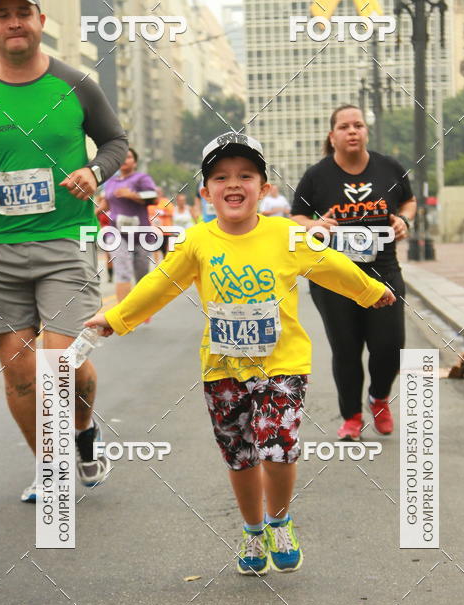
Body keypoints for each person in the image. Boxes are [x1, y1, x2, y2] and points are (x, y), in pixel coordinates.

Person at [85, 133, 395, 575]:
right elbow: (160, 285)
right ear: (206, 191)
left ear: (264, 188)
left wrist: (369, 290)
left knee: (277, 445)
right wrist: (115, 318)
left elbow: (332, 266)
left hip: (282, 364)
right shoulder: (197, 241)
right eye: (221, 176)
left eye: (246, 176)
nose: (234, 184)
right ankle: (253, 531)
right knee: (240, 454)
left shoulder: (286, 234)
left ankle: (279, 520)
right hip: (222, 367)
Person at [0, 0, 127, 501]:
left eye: (24, 11)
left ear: (42, 22)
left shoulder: (77, 84)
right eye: (4, 14)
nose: (14, 21)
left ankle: (83, 431)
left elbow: (114, 143)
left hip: (66, 240)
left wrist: (95, 172)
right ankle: (50, 467)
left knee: (62, 364)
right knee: (21, 374)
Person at [292, 104, 417, 440]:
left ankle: (378, 397)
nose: (352, 131)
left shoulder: (388, 168)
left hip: (383, 272)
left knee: (389, 345)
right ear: (332, 136)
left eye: (358, 125)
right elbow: (297, 217)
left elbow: (409, 201)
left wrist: (404, 220)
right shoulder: (317, 176)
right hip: (334, 276)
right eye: (344, 126)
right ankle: (351, 417)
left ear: (365, 132)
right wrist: (314, 225)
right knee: (346, 347)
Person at [97, 147, 156, 303]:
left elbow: (153, 199)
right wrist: (92, 214)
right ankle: (122, 316)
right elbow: (106, 204)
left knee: (142, 273)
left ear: (135, 162)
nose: (125, 160)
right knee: (122, 271)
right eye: (122, 157)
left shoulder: (141, 178)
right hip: (117, 233)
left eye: (129, 157)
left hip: (141, 234)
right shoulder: (110, 182)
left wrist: (132, 195)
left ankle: (141, 307)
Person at [147, 187, 175, 260]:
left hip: (165, 231)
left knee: (166, 251)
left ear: (161, 193)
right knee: (155, 249)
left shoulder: (166, 202)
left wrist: (163, 213)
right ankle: (157, 265)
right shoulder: (150, 203)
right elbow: (148, 214)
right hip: (155, 231)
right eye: (156, 192)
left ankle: (166, 266)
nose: (157, 194)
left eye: (159, 192)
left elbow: (171, 212)